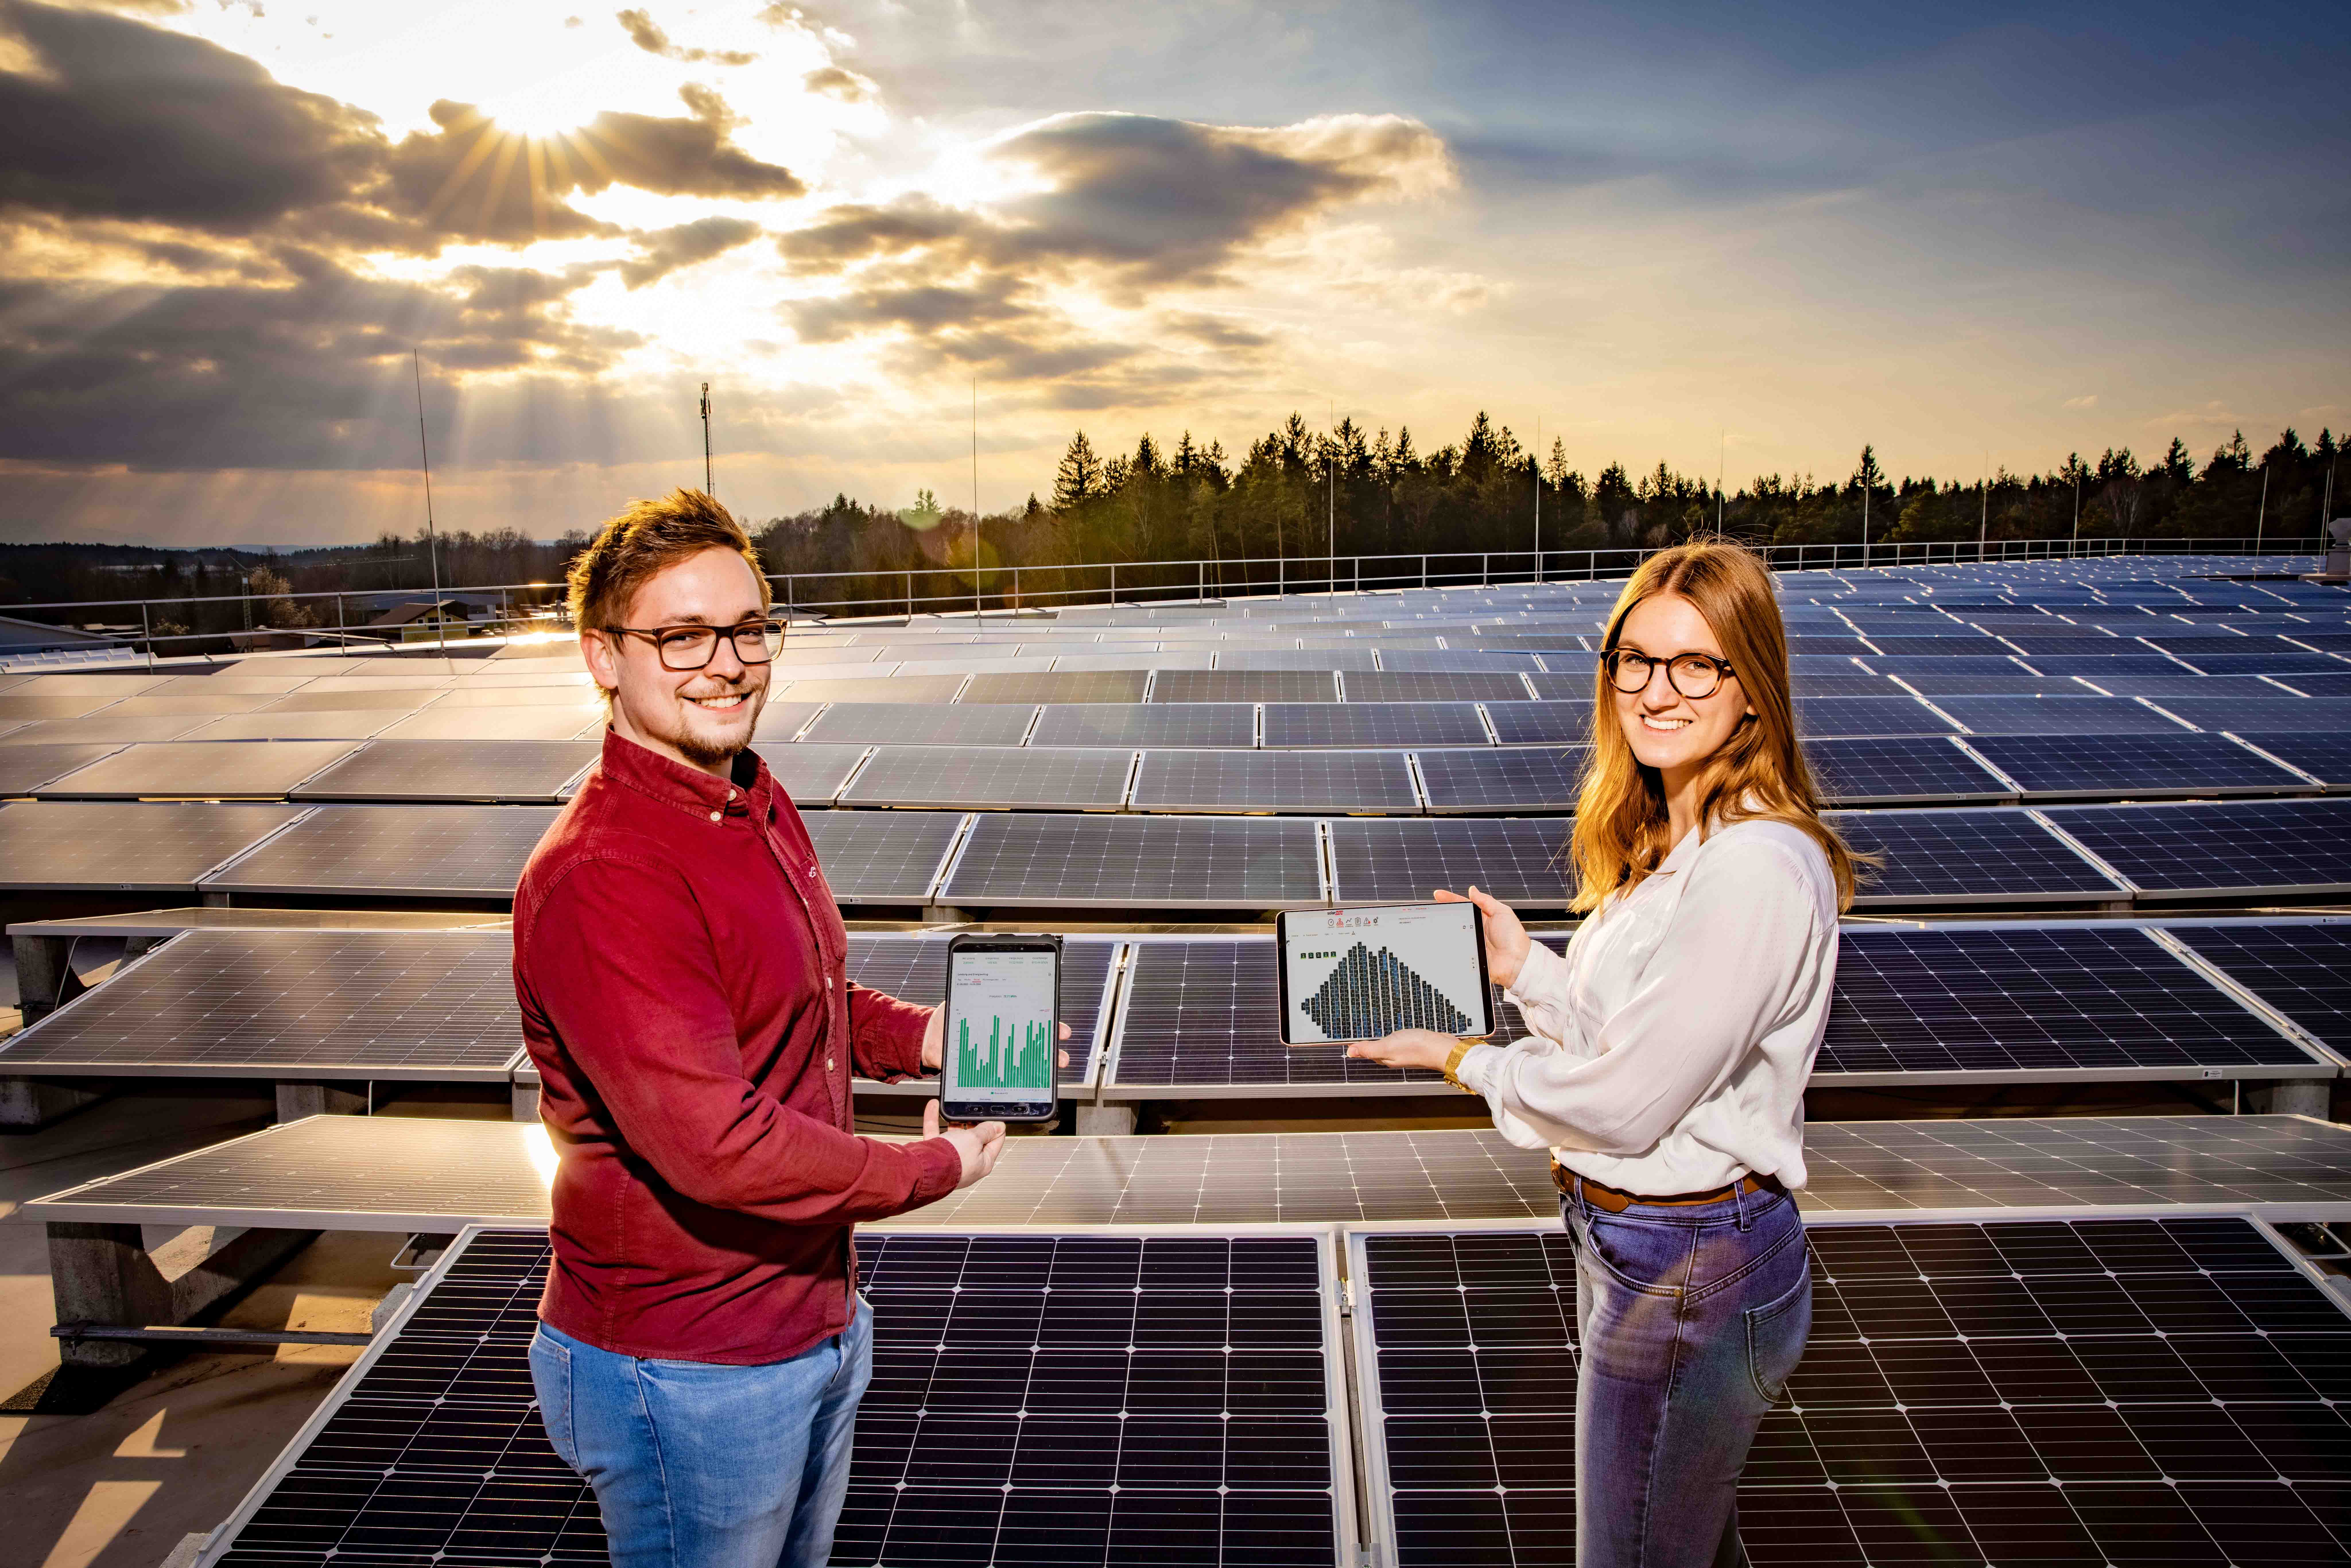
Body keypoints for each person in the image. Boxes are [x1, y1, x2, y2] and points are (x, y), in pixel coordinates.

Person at [514, 489, 1055, 1568]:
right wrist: (929, 1168)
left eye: (749, 629)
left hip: (813, 1320)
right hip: (693, 1368)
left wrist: (928, 1037)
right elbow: (716, 1144)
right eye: (681, 637)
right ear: (603, 657)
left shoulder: (751, 800)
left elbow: (804, 998)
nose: (726, 664)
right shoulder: (609, 873)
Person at [1345, 536, 1859, 1568]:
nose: (1656, 692)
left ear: (1752, 688)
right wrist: (1524, 970)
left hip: (1691, 1266)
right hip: (1647, 1251)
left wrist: (1463, 1060)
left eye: (1696, 665)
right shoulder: (1679, 843)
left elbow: (1628, 1103)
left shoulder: (1753, 870)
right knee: (1669, 1541)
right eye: (1636, 660)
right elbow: (1644, 1050)